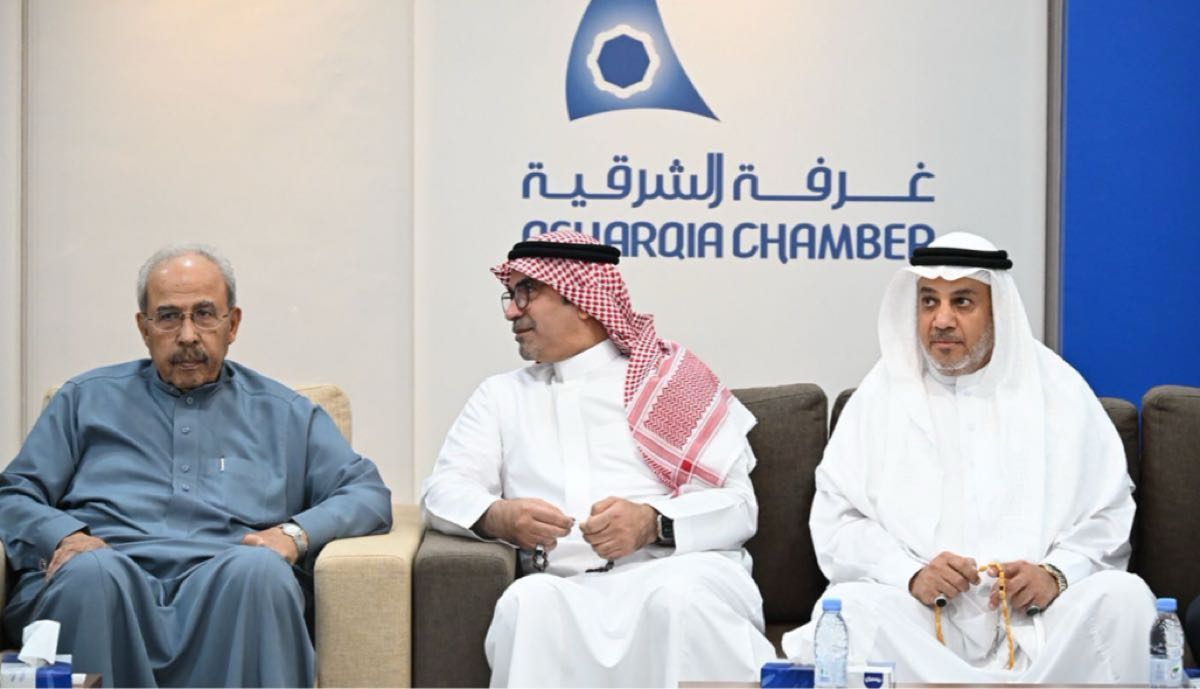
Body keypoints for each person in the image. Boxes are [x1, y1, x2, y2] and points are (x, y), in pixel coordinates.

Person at [0, 245, 392, 688]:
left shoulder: (286, 414)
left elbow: (366, 493)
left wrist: (293, 535)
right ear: (143, 328)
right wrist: (65, 536)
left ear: (233, 324)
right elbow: (13, 493)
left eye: (204, 314)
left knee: (260, 572)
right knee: (90, 574)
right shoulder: (84, 400)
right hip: (108, 576)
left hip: (228, 590)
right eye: (168, 317)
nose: (187, 335)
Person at [782, 231, 1155, 683]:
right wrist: (910, 573)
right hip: (921, 618)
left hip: (1037, 620)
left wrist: (1055, 574)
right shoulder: (879, 397)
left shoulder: (1060, 392)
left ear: (998, 311)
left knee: (1125, 599)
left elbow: (1108, 513)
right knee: (850, 611)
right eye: (928, 302)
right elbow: (839, 520)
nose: (941, 320)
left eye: (962, 302)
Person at [421, 230, 776, 687]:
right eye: (510, 295)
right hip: (566, 586)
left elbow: (739, 507)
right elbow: (442, 491)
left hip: (678, 570)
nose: (511, 310)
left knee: (678, 601)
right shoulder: (501, 397)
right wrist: (497, 516)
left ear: (582, 300)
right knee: (527, 604)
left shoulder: (669, 380)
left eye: (527, 291)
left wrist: (653, 522)